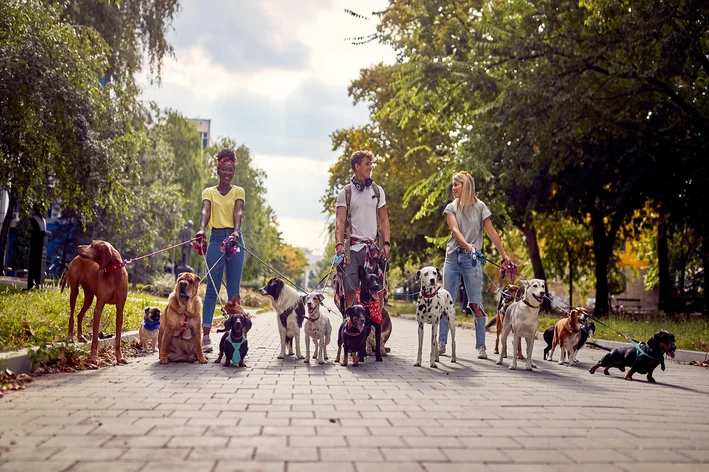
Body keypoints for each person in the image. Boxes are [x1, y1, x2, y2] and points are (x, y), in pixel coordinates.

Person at [438, 171, 512, 359]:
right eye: (452, 185)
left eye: (456, 184)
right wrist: (467, 245)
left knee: (475, 303)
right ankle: (441, 343)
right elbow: (455, 230)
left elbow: (492, 232)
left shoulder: (480, 207)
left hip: (472, 261)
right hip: (453, 258)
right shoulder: (451, 208)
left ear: (466, 186)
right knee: (447, 302)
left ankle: (481, 346)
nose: (453, 188)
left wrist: (504, 256)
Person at [196, 148, 246, 353]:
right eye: (224, 169)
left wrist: (236, 232)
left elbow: (239, 211)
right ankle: (206, 335)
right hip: (216, 238)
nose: (227, 173)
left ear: (234, 170)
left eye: (231, 169)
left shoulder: (238, 191)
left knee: (234, 292)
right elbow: (205, 211)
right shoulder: (209, 192)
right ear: (218, 169)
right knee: (211, 289)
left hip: (234, 239)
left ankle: (235, 336)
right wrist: (201, 229)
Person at [334, 150, 391, 310]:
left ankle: (373, 331)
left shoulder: (377, 191)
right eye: (367, 164)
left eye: (371, 164)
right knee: (350, 292)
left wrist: (386, 244)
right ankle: (351, 328)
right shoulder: (345, 193)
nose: (370, 167)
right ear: (357, 166)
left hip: (372, 250)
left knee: (376, 292)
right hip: (351, 251)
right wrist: (339, 245)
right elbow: (339, 222)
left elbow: (384, 219)